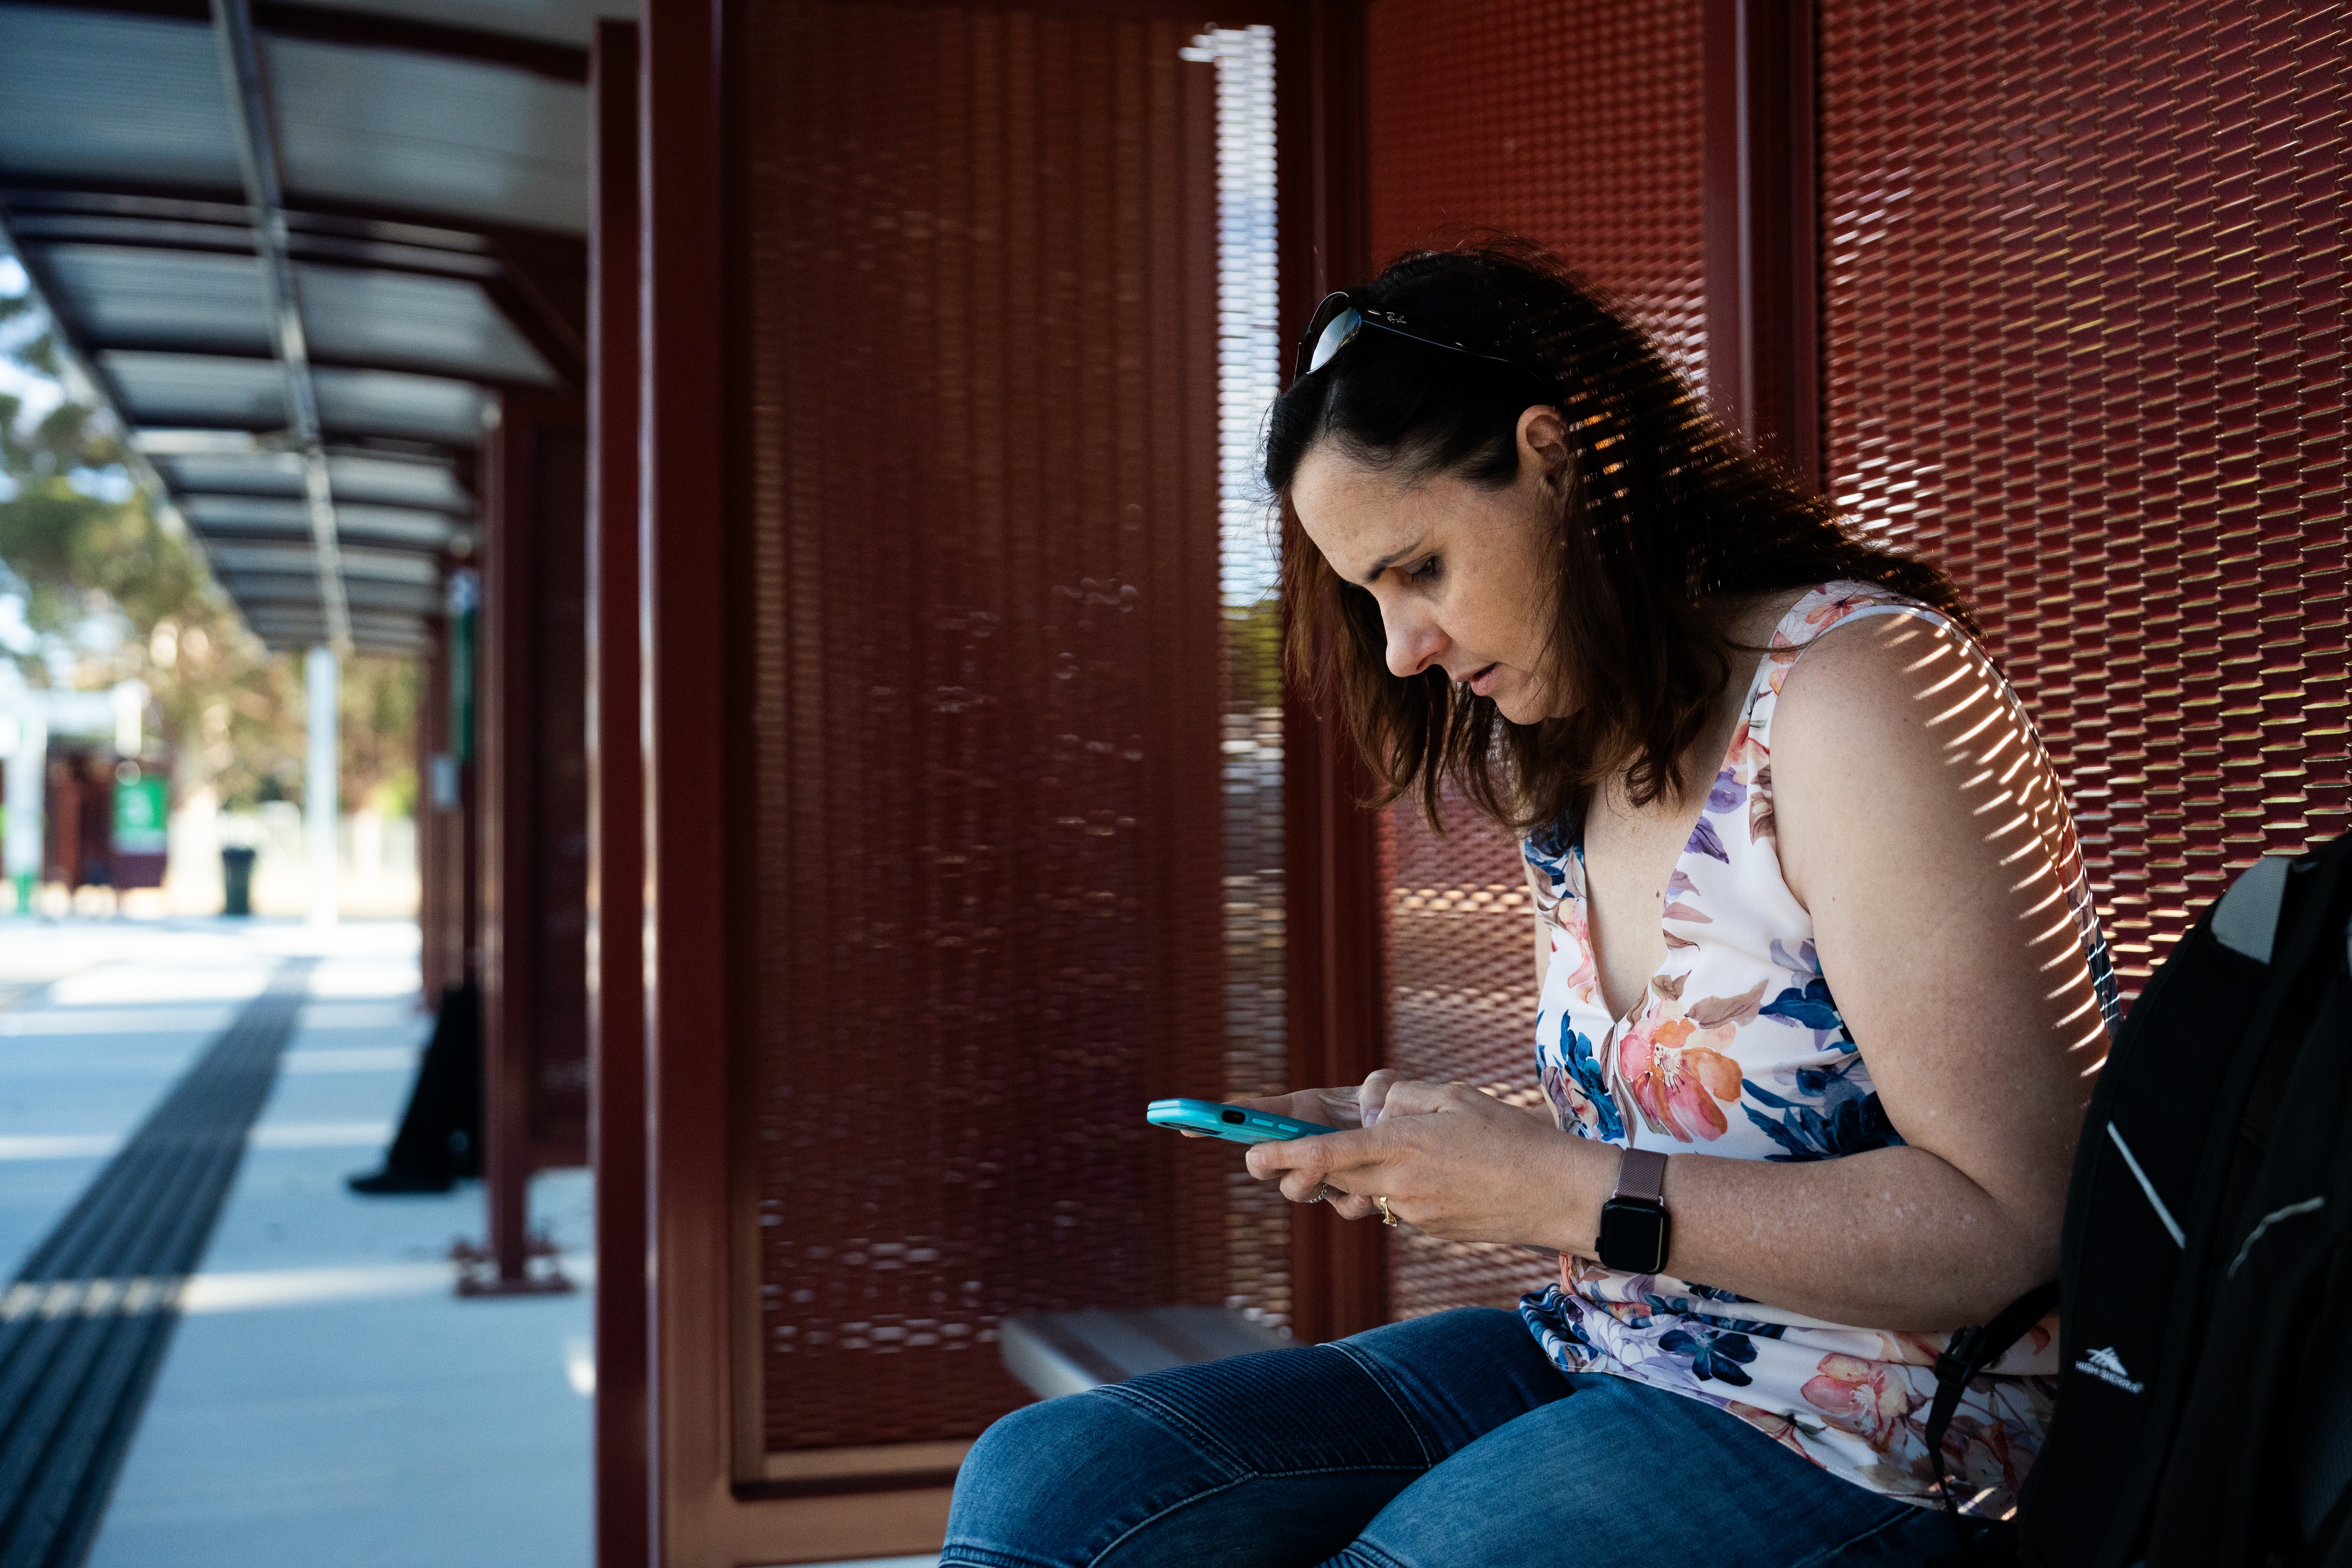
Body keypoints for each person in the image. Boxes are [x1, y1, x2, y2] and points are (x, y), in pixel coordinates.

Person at [942, 242, 2118, 1566]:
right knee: (1056, 1485)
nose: (1402, 650)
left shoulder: (1855, 693)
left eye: (1420, 568)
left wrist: (1555, 1193)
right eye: (1366, 596)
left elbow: (2022, 1220)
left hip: (1900, 1434)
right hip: (1608, 1348)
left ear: (1554, 459)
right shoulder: (1568, 744)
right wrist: (1437, 1154)